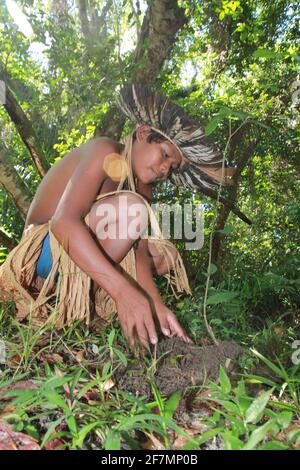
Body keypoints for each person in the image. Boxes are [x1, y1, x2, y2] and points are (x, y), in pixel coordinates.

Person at [0, 84, 235, 350]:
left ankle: (89, 304)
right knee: (132, 210)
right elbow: (63, 223)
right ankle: (83, 297)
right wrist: (124, 293)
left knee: (163, 253)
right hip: (38, 257)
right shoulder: (105, 151)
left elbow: (140, 252)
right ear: (144, 133)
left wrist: (155, 305)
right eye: (166, 155)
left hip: (68, 265)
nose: (165, 169)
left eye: (172, 167)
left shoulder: (142, 188)